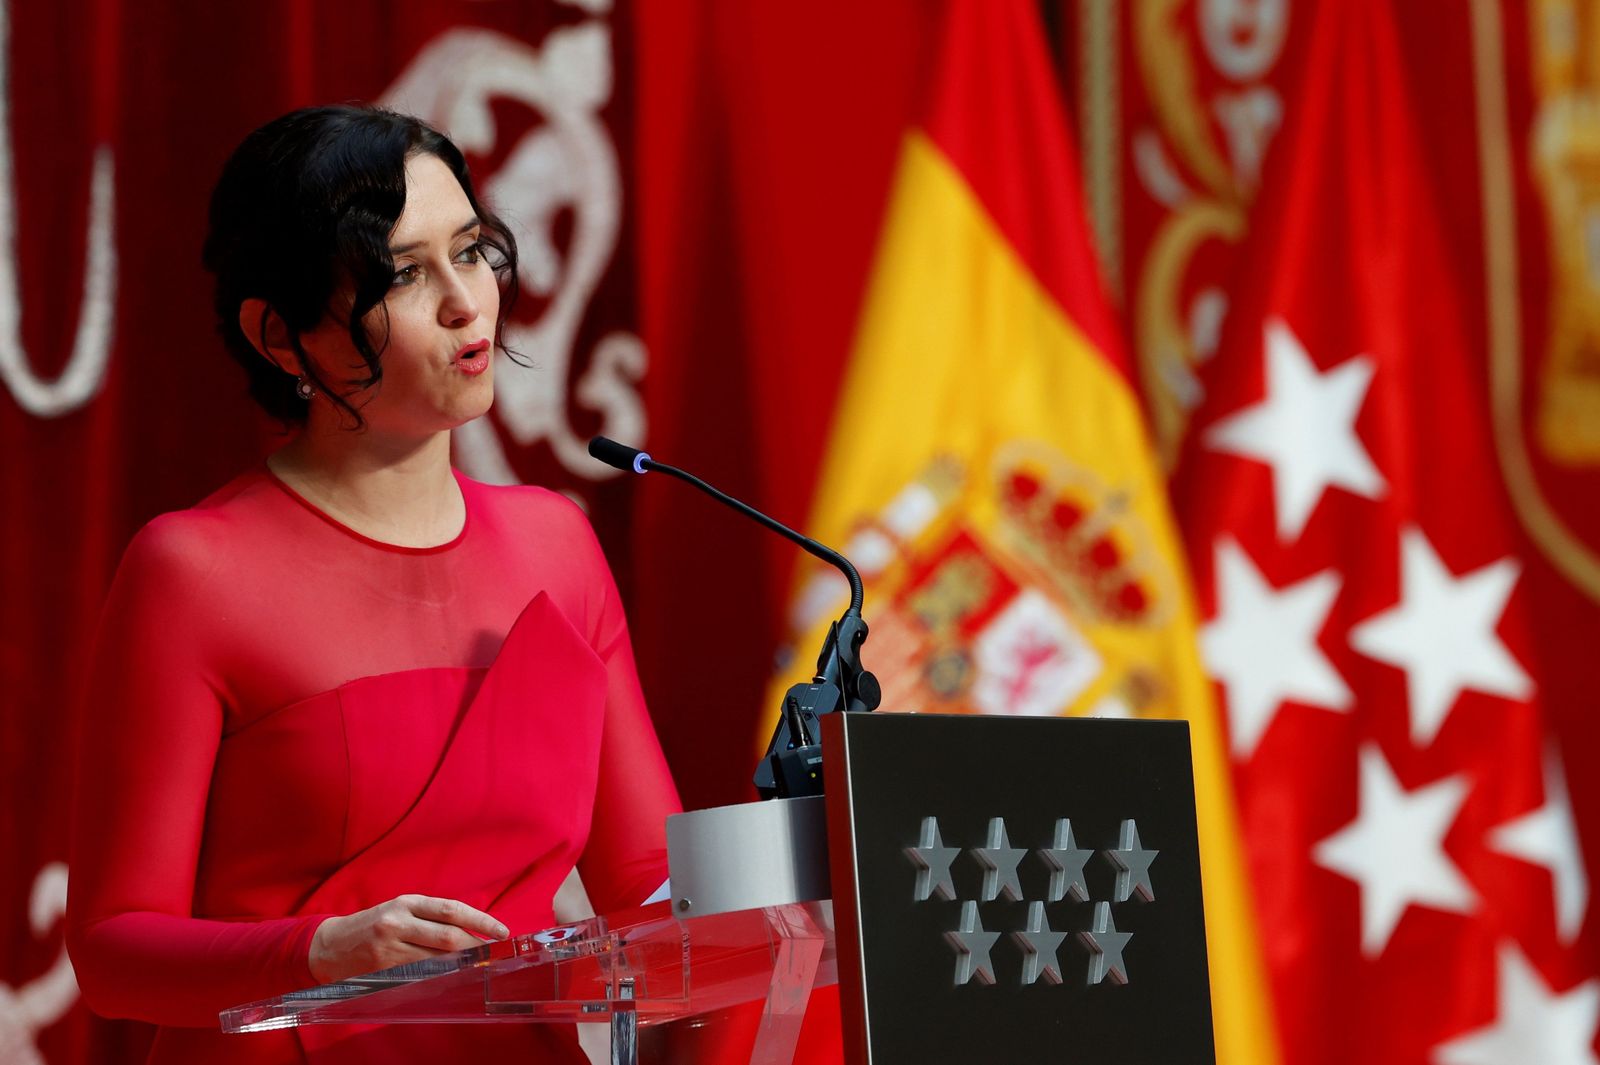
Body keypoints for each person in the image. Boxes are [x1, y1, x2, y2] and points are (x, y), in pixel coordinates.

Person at [65, 104, 681, 1064]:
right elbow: (111, 954)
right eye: (403, 273)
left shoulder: (557, 544)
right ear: (279, 336)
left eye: (472, 251)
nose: (466, 303)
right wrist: (320, 951)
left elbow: (652, 886)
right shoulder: (192, 571)